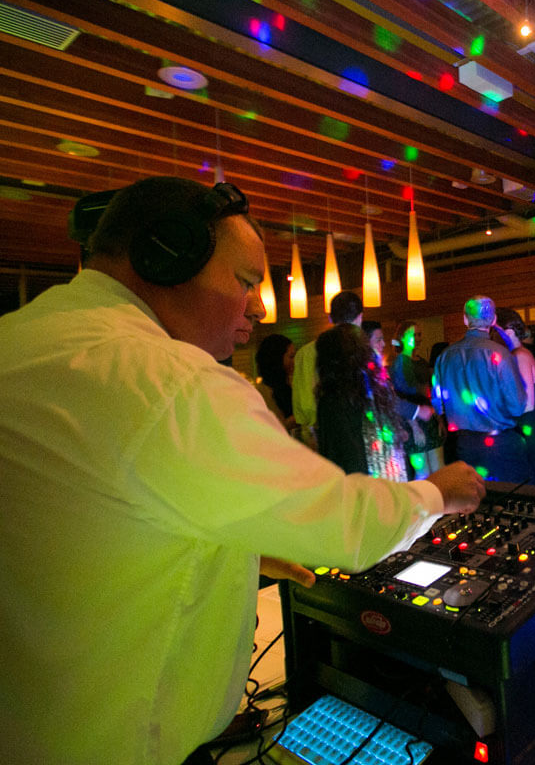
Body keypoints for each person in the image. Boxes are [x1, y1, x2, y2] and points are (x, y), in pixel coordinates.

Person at [0, 177, 484, 765]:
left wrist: (232, 551)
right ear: (166, 257)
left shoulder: (20, 338)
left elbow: (78, 524)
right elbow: (348, 526)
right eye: (245, 281)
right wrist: (436, 493)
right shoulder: (173, 380)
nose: (258, 307)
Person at [433, 295, 529, 482]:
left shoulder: (445, 356)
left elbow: (438, 404)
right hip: (500, 445)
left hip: (463, 445)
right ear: (493, 320)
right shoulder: (500, 353)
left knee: (475, 497)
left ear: (465, 319)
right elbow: (518, 406)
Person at [316, 323, 421, 482]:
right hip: (391, 478)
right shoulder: (371, 385)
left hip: (364, 484)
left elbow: (338, 455)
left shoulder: (333, 400)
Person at [292, 289, 365, 449]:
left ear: (330, 318)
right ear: (360, 317)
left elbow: (303, 403)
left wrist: (310, 429)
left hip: (318, 434)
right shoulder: (363, 351)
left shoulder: (305, 352)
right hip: (358, 433)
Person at [496, 307, 535, 486]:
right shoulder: (517, 354)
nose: (492, 337)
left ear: (508, 332)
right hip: (534, 425)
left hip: (532, 426)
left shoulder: (519, 355)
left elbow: (527, 403)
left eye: (495, 332)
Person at [254, 332, 296, 431]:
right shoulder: (262, 391)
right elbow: (271, 428)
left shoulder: (290, 384)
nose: (294, 361)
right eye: (291, 356)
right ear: (277, 358)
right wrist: (298, 418)